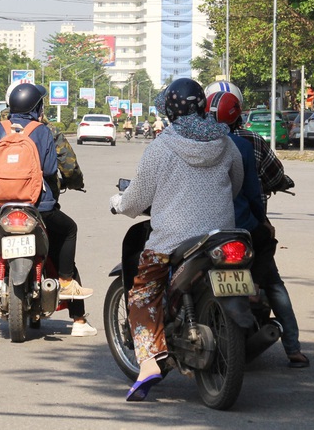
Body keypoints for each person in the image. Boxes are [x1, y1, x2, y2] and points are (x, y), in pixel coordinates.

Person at [110, 78, 242, 401]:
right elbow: (235, 184)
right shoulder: (226, 142)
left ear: (169, 111)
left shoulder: (161, 146)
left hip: (173, 242)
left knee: (142, 290)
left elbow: (136, 198)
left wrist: (118, 203)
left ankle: (149, 364)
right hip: (221, 237)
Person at [0, 82, 95, 336]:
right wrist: (73, 183)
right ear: (37, 107)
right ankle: (76, 311)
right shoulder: (46, 131)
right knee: (67, 233)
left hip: (1, 207)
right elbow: (59, 168)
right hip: (40, 207)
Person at [206, 89, 309, 369]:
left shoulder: (191, 142)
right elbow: (253, 191)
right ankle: (294, 349)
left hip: (204, 231)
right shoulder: (244, 144)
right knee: (274, 281)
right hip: (243, 229)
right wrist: (262, 221)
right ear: (238, 114)